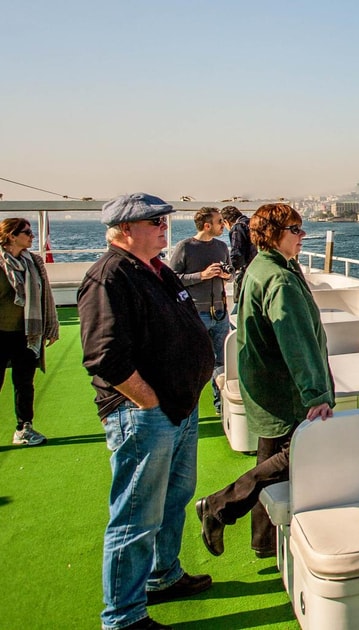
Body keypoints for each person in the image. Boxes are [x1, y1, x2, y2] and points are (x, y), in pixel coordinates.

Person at [79, 193, 215, 630]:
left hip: (180, 408)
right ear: (124, 230)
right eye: (153, 221)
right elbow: (104, 357)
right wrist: (148, 401)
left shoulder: (156, 270)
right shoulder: (109, 277)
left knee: (173, 499)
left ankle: (163, 574)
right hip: (146, 415)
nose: (163, 226)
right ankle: (122, 616)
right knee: (136, 513)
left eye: (163, 219)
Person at [196, 203, 334, 559]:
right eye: (295, 230)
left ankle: (263, 541)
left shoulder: (264, 267)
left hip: (265, 383)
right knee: (295, 453)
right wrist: (316, 392)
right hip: (283, 388)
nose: (302, 236)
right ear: (273, 235)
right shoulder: (280, 279)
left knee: (269, 458)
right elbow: (296, 339)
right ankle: (219, 506)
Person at [1, 218, 59, 446]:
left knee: (24, 383)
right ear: (11, 236)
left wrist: (50, 326)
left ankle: (24, 428)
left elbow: (46, 295)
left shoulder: (33, 262)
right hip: (0, 333)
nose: (32, 236)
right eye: (26, 232)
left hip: (26, 333)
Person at [167, 208, 231, 413]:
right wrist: (201, 276)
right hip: (196, 315)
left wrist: (226, 276)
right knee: (192, 362)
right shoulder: (185, 247)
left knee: (222, 362)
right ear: (207, 225)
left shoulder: (222, 247)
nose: (223, 224)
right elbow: (172, 279)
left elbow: (232, 273)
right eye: (219, 221)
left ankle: (221, 406)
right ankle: (187, 407)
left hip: (220, 313)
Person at [219, 205, 256, 299]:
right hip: (259, 267)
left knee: (241, 300)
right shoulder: (253, 223)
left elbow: (237, 254)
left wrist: (229, 272)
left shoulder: (237, 228)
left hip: (249, 271)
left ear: (226, 221)